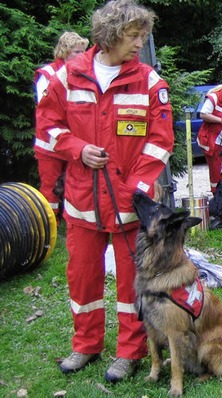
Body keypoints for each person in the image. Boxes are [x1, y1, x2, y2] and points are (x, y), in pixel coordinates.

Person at [36, 0, 174, 382]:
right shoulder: (66, 78)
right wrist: (76, 149)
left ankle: (129, 352)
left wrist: (136, 190)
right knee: (82, 280)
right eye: (134, 36)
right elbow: (47, 129)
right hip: (82, 204)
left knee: (132, 283)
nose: (139, 43)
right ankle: (85, 345)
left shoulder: (149, 82)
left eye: (143, 36)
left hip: (128, 206)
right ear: (111, 34)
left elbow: (161, 142)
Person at [34, 31, 89, 219]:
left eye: (84, 51)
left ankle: (70, 221)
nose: (82, 56)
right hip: (49, 144)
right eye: (76, 52)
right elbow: (47, 109)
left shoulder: (82, 74)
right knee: (50, 189)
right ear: (64, 52)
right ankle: (47, 228)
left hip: (72, 142)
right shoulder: (48, 74)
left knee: (73, 185)